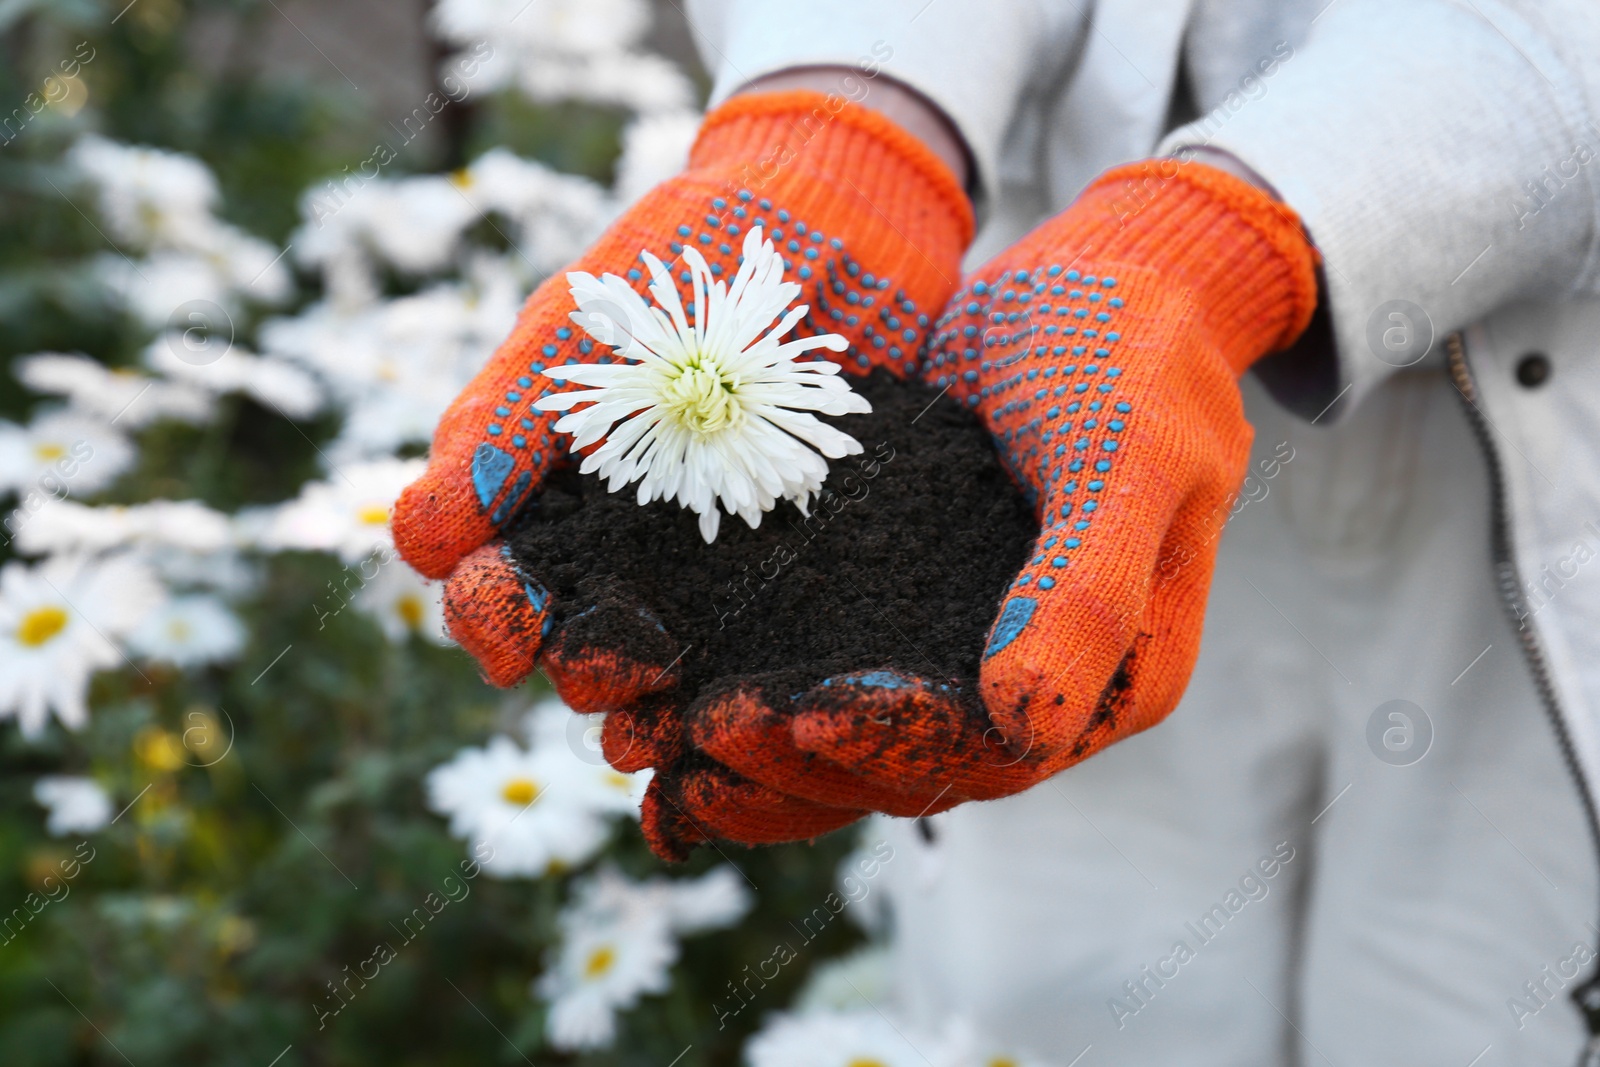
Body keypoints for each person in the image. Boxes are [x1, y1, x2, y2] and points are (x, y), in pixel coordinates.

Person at [392, 0, 1600, 1061]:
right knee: (1054, 1000)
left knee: (1475, 1006)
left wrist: (1228, 232)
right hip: (1042, 403)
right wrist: (849, 113)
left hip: (1526, 430)